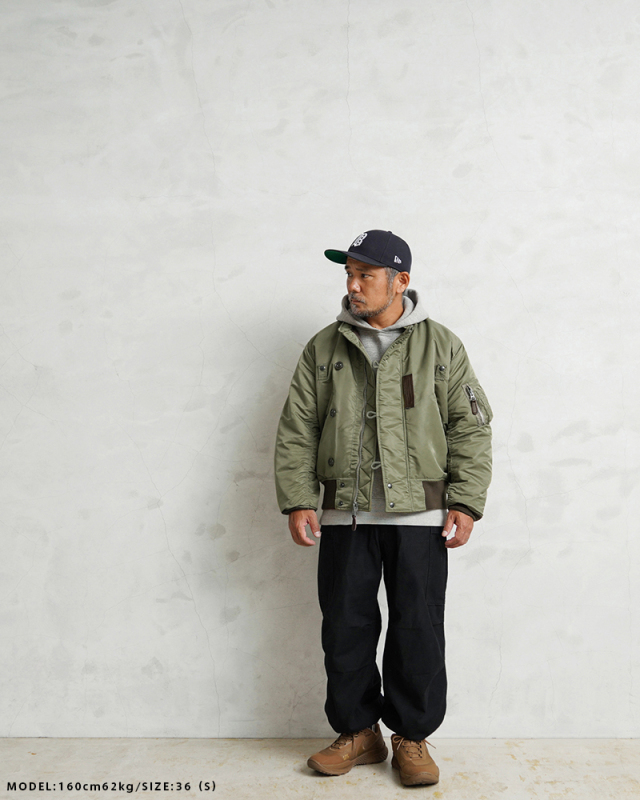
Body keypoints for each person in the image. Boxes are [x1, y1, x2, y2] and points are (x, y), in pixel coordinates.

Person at [274, 229, 493, 787]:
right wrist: (299, 499)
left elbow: (469, 428)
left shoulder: (441, 345)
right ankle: (358, 733)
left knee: (418, 629)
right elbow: (298, 428)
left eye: (365, 275)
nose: (353, 285)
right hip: (344, 515)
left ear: (400, 281)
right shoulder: (324, 347)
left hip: (422, 517)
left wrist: (466, 501)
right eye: (349, 274)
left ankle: (412, 738)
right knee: (345, 628)